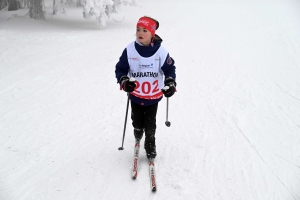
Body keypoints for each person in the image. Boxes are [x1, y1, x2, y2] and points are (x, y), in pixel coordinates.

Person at [115, 16, 176, 161]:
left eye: (144, 30)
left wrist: (170, 82)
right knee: (137, 121)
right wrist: (124, 81)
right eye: (138, 30)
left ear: (152, 33)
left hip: (153, 95)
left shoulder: (161, 52)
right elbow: (121, 69)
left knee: (150, 123)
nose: (140, 33)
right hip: (135, 94)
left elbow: (169, 69)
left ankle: (150, 144)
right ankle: (137, 132)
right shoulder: (130, 50)